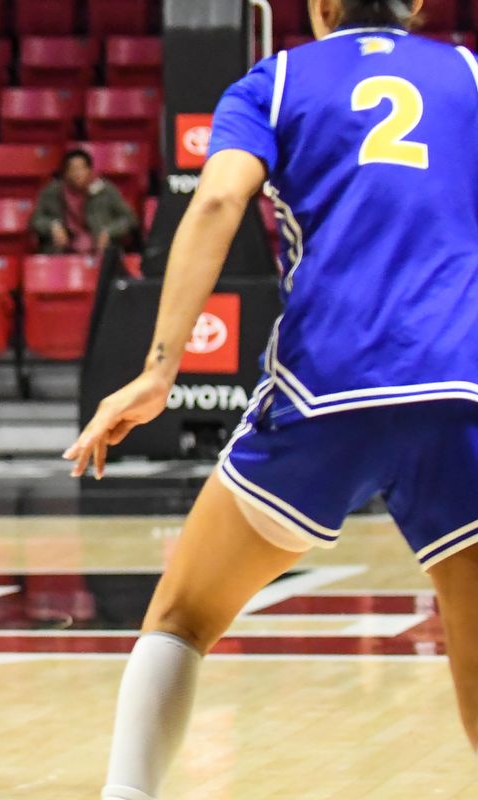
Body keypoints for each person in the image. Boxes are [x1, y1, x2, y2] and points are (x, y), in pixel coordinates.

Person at [65, 2, 478, 798]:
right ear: (418, 2)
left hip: (329, 385)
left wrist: (159, 370)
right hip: (460, 385)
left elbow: (217, 203)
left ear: (321, 5)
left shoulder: (276, 79)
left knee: (182, 617)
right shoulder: (467, 74)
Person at [30, 148, 138, 256]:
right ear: (65, 173)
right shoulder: (52, 193)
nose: (77, 174)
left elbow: (129, 219)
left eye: (82, 168)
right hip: (62, 253)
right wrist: (52, 225)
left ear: (90, 171)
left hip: (100, 252)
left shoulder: (106, 190)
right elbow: (35, 220)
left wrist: (109, 232)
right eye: (73, 169)